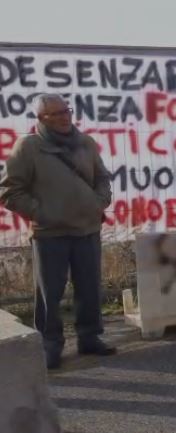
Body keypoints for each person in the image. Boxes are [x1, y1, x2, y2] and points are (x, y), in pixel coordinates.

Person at [0, 93, 115, 370]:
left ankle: (89, 338)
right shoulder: (28, 147)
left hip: (87, 229)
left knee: (89, 288)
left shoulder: (85, 143)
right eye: (57, 113)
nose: (65, 117)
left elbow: (102, 178)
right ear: (41, 119)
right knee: (49, 294)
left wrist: (99, 202)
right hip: (50, 234)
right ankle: (50, 345)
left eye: (67, 111)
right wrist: (43, 213)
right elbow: (9, 190)